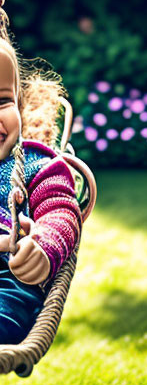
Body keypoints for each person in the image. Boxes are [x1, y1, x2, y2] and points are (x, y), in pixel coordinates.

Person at [0, 37, 81, 344]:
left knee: (9, 305)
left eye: (2, 102)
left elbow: (60, 209)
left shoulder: (37, 165)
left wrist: (43, 246)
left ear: (19, 104)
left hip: (8, 273)